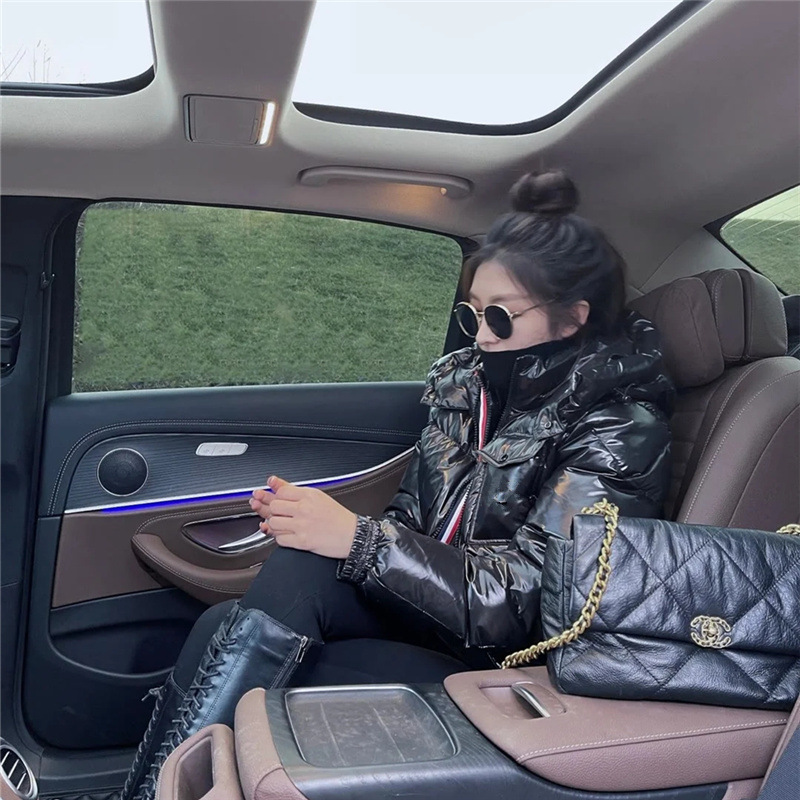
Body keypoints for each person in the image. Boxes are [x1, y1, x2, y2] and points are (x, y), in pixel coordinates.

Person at [122, 169, 674, 800]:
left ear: (572, 319)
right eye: (472, 314)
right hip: (432, 618)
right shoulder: (470, 393)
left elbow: (534, 603)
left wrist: (361, 542)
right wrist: (323, 528)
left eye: (500, 317)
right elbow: (415, 522)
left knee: (248, 645)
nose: (481, 336)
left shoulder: (618, 429)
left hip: (504, 666)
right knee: (243, 609)